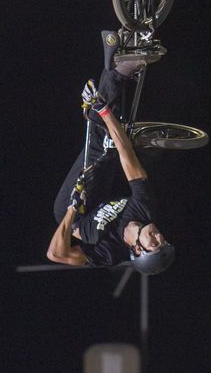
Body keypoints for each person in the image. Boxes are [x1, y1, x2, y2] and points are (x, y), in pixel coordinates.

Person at [48, 43, 176, 273]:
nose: (158, 236)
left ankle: (118, 71)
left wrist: (72, 209)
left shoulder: (110, 253)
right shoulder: (145, 210)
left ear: (138, 250)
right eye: (163, 240)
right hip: (101, 192)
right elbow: (131, 168)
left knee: (102, 146)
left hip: (75, 210)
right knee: (117, 146)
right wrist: (105, 113)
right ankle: (131, 41)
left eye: (155, 244)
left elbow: (57, 254)